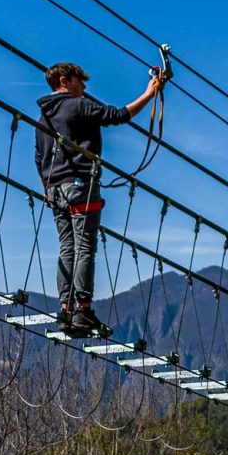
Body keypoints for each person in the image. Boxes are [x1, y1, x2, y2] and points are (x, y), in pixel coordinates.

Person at [34, 60, 166, 336]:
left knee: (67, 247)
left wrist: (47, 187)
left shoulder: (42, 118)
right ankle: (84, 310)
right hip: (81, 184)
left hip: (55, 189)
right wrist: (149, 93)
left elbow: (38, 157)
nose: (84, 87)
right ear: (65, 81)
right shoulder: (77, 105)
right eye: (80, 81)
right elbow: (118, 115)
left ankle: (66, 309)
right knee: (84, 247)